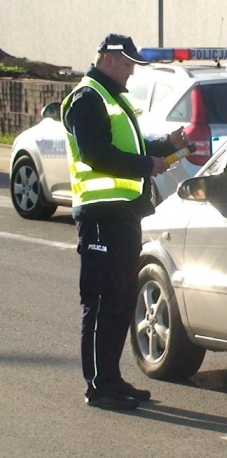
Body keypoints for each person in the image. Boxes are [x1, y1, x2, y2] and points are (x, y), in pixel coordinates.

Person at [61, 34, 189, 410]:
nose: (132, 71)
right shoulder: (88, 98)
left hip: (123, 213)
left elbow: (130, 146)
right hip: (101, 214)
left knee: (119, 299)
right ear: (109, 59)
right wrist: (145, 165)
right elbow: (96, 154)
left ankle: (111, 379)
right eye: (128, 63)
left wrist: (166, 143)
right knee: (101, 302)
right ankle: (98, 388)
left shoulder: (112, 97)